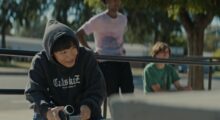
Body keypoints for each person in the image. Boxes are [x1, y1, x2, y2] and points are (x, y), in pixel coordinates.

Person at [25, 20, 106, 120]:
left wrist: (89, 105)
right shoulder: (40, 61)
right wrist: (47, 111)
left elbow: (98, 87)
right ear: (51, 54)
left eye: (73, 48)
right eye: (63, 52)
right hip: (53, 112)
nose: (70, 56)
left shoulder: (87, 56)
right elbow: (34, 91)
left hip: (84, 111)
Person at [76, 0, 134, 97]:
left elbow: (119, 37)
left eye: (117, 0)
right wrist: (91, 51)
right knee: (112, 95)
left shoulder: (123, 19)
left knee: (129, 93)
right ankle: (114, 112)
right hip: (106, 62)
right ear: (106, 2)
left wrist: (122, 48)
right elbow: (78, 34)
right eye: (112, 0)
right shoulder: (98, 19)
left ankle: (127, 112)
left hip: (122, 60)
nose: (115, 2)